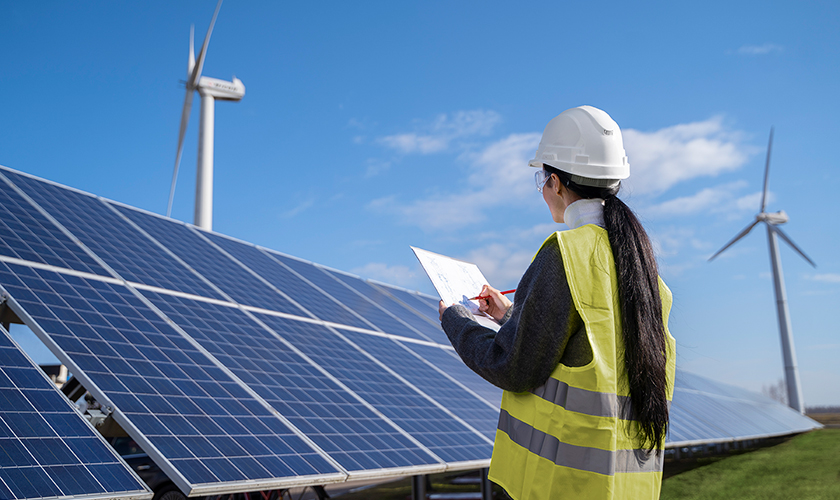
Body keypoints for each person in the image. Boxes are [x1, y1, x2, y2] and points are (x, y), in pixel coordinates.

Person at [438, 106, 677, 500]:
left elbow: (512, 365)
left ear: (555, 182)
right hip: (623, 489)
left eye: (541, 180)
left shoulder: (565, 254)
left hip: (554, 487)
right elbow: (589, 348)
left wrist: (457, 320)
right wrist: (511, 314)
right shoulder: (646, 276)